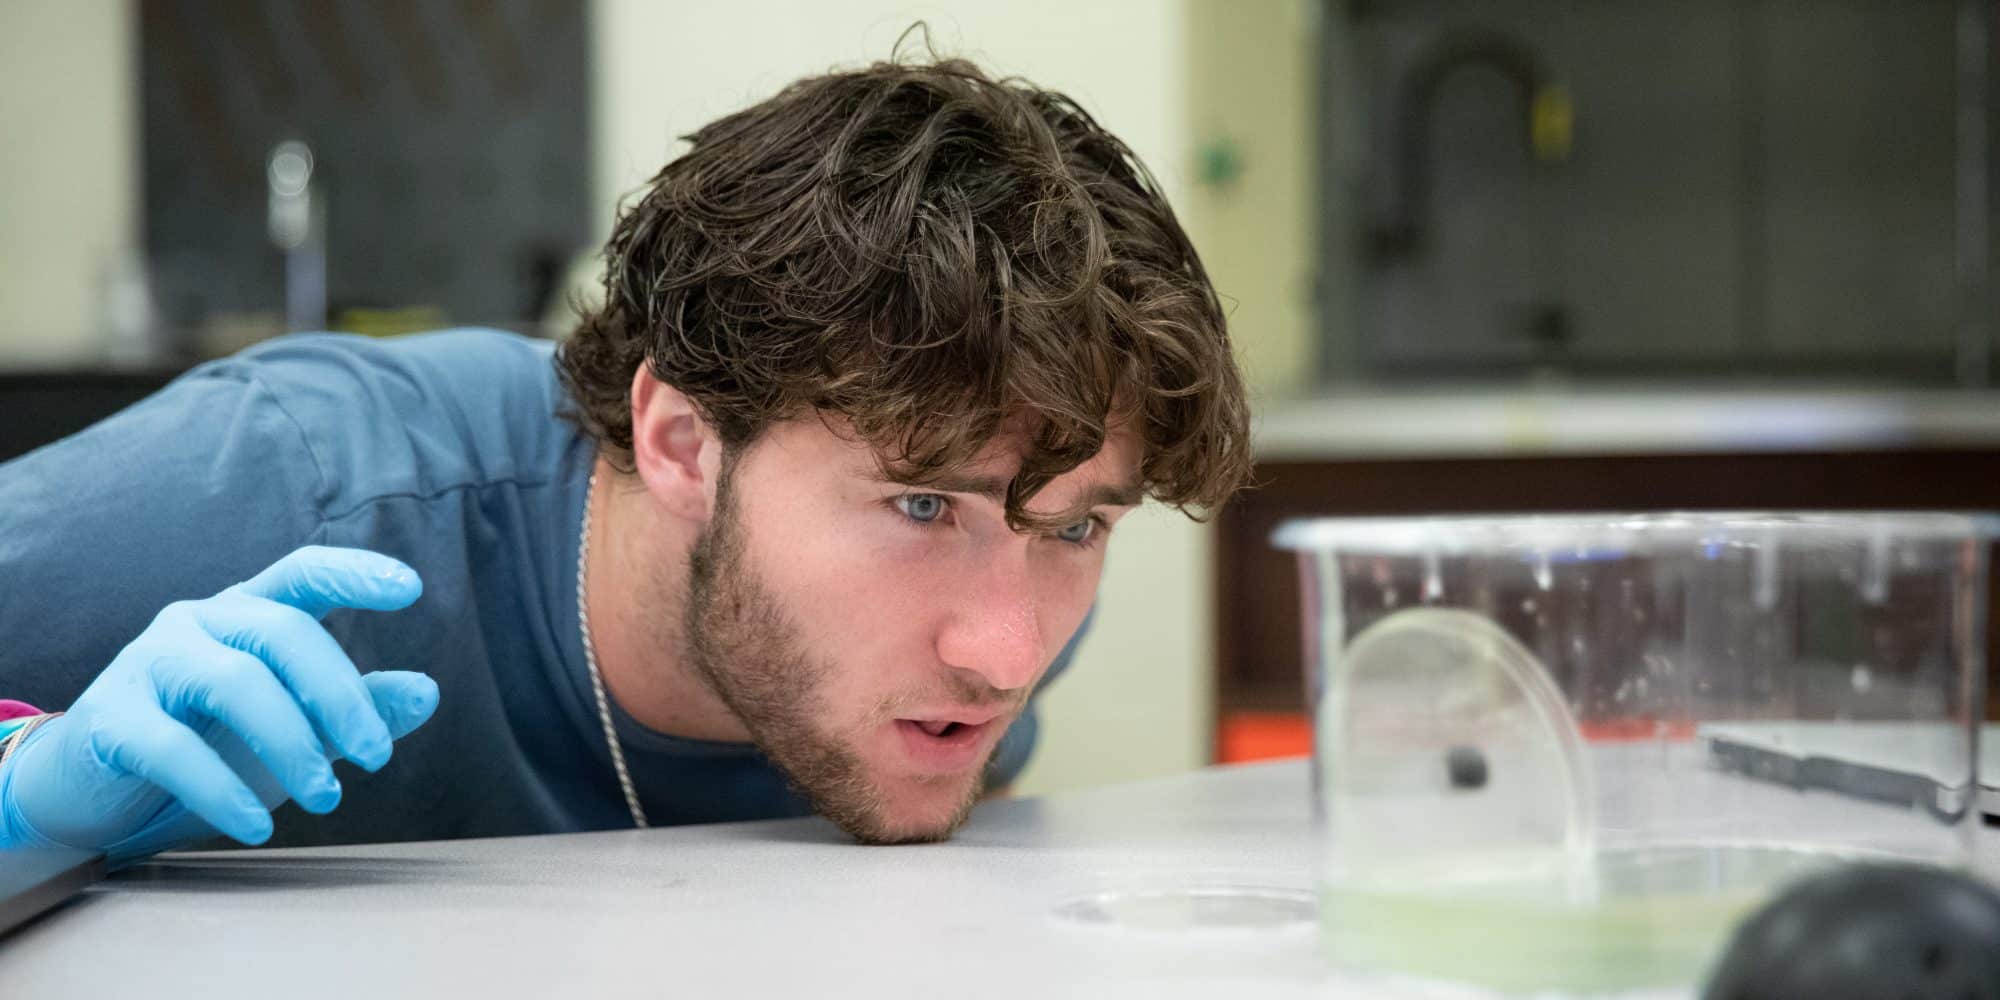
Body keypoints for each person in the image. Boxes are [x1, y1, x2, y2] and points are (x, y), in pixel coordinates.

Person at [0, 53, 1249, 868]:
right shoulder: (296, 489)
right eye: (924, 503)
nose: (1006, 655)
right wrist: (20, 800)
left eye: (1081, 526)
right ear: (683, 441)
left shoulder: (1001, 606)